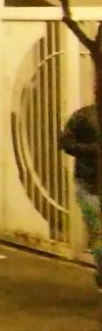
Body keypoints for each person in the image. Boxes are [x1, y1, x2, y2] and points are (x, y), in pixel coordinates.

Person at [60, 103, 102, 288]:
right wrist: (94, 150)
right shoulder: (84, 116)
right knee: (99, 232)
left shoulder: (84, 115)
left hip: (88, 181)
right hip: (89, 183)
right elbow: (66, 143)